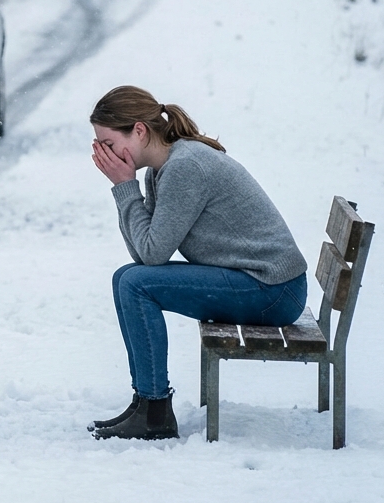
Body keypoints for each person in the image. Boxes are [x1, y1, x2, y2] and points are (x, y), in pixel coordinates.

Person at [87, 86, 307, 440]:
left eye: (109, 145)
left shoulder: (184, 168)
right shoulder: (161, 170)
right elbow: (143, 254)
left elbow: (153, 254)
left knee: (134, 283)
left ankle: (154, 409)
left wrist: (124, 186)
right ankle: (146, 404)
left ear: (139, 131)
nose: (105, 155)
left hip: (273, 290)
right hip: (263, 284)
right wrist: (125, 187)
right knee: (126, 277)